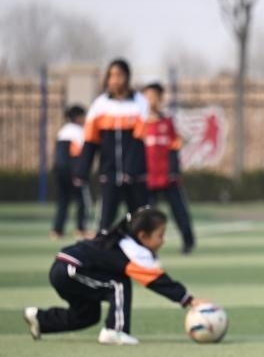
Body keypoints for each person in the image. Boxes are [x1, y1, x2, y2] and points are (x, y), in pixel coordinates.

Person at [23, 207, 205, 346]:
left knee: (88, 315)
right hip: (71, 269)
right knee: (118, 284)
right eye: (160, 235)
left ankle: (40, 319)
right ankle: (115, 330)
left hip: (65, 268)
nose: (163, 241)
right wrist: (188, 299)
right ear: (143, 236)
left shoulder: (122, 240)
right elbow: (155, 280)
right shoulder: (133, 250)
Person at [76, 58, 149, 232]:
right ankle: (103, 249)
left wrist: (130, 170)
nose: (115, 80)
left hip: (135, 175)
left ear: (127, 77)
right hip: (109, 173)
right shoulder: (100, 105)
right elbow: (91, 140)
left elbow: (139, 140)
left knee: (140, 222)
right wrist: (82, 170)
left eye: (119, 75)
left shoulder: (139, 102)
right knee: (105, 223)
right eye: (111, 75)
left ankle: (140, 250)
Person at [138, 82, 197, 254]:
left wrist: (173, 171)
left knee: (180, 211)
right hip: (147, 178)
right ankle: (144, 246)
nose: (150, 101)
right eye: (147, 97)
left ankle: (188, 242)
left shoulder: (167, 123)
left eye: (153, 97)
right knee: (146, 215)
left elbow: (174, 147)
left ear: (160, 99)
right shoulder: (139, 124)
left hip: (167, 177)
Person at [51, 104, 90, 240]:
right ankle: (81, 229)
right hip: (73, 171)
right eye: (83, 116)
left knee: (63, 200)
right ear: (77, 117)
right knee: (82, 201)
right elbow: (79, 154)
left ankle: (57, 230)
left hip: (60, 171)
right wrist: (80, 173)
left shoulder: (63, 131)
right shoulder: (79, 132)